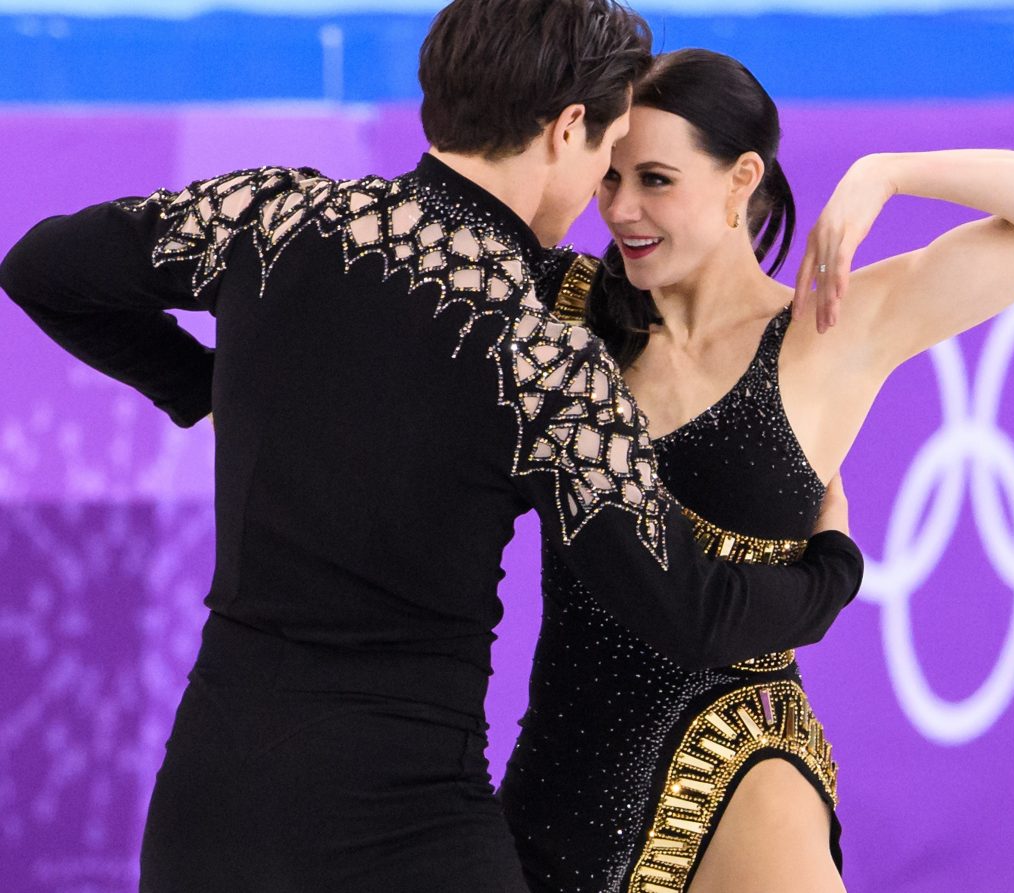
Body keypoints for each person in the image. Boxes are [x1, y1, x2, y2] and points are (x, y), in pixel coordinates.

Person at [0, 8, 867, 890]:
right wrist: (831, 567)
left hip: (210, 814)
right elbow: (694, 611)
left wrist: (203, 388)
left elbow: (40, 269)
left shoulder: (273, 217)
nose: (608, 187)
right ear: (569, 128)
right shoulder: (541, 355)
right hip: (408, 833)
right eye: (607, 150)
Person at [501, 48, 1014, 893]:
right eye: (610, 179)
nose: (621, 209)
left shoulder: (828, 331)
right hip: (562, 768)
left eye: (655, 179)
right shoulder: (566, 315)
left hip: (737, 757)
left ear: (740, 179)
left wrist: (890, 171)